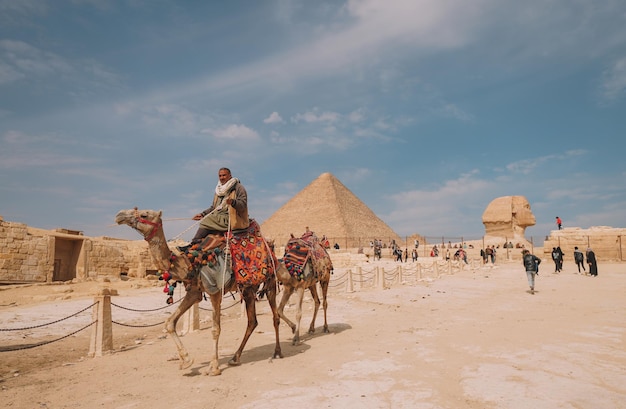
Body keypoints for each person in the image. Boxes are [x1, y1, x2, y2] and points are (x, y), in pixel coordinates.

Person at [186, 168, 249, 247]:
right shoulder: (219, 190)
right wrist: (202, 214)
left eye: (224, 175)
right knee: (207, 218)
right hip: (217, 216)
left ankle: (195, 241)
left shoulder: (238, 188)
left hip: (230, 218)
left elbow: (243, 205)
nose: (222, 177)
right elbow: (214, 207)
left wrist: (233, 202)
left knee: (207, 220)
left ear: (230, 175)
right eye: (220, 176)